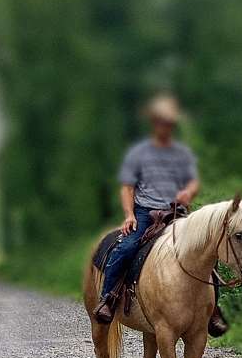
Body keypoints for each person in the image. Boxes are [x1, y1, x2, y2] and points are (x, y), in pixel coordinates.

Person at [93, 94, 228, 336]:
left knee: (207, 251)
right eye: (161, 122)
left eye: (169, 123)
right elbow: (127, 187)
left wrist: (188, 192)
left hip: (177, 213)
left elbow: (193, 181)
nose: (165, 126)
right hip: (145, 212)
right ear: (154, 123)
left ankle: (213, 308)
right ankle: (108, 298)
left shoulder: (182, 154)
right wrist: (129, 214)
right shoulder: (139, 153)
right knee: (126, 247)